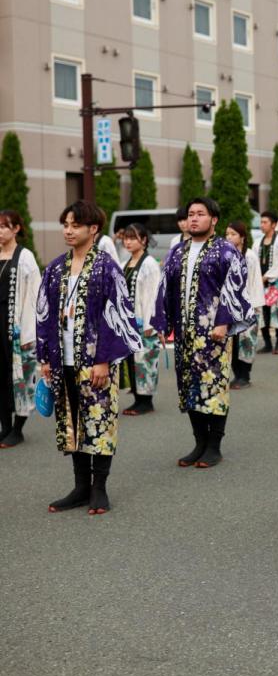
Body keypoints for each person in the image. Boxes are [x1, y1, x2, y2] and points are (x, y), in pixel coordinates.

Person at [36, 200, 141, 514]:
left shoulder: (108, 267)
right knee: (72, 421)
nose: (68, 230)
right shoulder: (55, 268)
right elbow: (43, 313)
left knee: (100, 420)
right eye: (65, 224)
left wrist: (104, 359)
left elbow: (120, 314)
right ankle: (80, 486)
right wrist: (44, 357)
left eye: (75, 225)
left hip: (94, 360)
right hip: (62, 358)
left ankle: (99, 488)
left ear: (93, 229)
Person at [153, 197, 251, 469]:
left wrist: (224, 322)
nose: (193, 218)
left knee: (213, 387)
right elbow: (165, 288)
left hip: (213, 333)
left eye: (200, 214)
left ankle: (214, 446)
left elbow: (235, 289)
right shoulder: (177, 251)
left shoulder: (226, 251)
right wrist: (163, 322)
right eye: (190, 214)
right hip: (185, 332)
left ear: (214, 220)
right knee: (188, 385)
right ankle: (199, 442)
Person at [0, 210, 41, 449]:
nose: (0, 231)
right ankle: (4, 426)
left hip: (15, 324)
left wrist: (29, 332)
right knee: (0, 377)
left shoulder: (25, 257)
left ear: (16, 229)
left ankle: (18, 429)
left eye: (4, 226)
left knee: (20, 377)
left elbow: (34, 297)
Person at [120, 223, 162, 415]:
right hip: (129, 324)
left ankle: (146, 401)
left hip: (144, 323)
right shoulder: (126, 262)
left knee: (145, 360)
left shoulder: (149, 264)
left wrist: (150, 324)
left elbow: (153, 296)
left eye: (132, 238)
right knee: (132, 361)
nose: (127, 242)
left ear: (143, 240)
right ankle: (138, 398)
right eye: (125, 238)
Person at [225, 219, 265, 389]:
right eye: (227, 234)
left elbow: (255, 281)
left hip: (248, 306)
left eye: (233, 234)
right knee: (232, 342)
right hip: (230, 307)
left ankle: (245, 376)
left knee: (246, 342)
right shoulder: (226, 255)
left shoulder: (249, 256)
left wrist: (255, 305)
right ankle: (236, 375)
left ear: (242, 237)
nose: (228, 237)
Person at [256, 210, 278, 354]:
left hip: (276, 283)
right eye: (261, 222)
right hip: (260, 284)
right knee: (263, 314)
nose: (262, 225)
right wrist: (258, 277)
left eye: (265, 222)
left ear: (273, 224)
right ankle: (267, 343)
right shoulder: (258, 242)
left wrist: (267, 276)